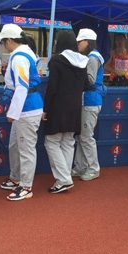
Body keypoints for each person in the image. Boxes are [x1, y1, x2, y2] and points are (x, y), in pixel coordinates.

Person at [0, 24, 44, 201]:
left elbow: (22, 86)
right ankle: (16, 177)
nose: (3, 45)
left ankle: (26, 186)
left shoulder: (19, 56)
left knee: (25, 149)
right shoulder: (24, 53)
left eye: (4, 42)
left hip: (27, 108)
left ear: (10, 40)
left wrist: (13, 112)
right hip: (26, 106)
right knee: (15, 146)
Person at [43, 31, 88, 194]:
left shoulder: (57, 61)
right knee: (68, 142)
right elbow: (86, 85)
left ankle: (64, 179)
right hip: (75, 106)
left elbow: (52, 88)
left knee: (51, 142)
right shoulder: (83, 61)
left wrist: (46, 108)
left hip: (58, 106)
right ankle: (64, 177)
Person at [72, 29, 105, 181]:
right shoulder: (93, 56)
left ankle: (93, 168)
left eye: (79, 42)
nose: (78, 45)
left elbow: (90, 79)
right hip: (89, 99)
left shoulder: (92, 57)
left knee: (85, 136)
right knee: (82, 135)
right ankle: (80, 166)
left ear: (86, 42)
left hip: (91, 100)